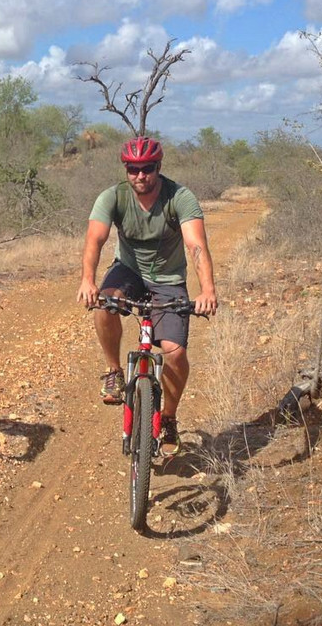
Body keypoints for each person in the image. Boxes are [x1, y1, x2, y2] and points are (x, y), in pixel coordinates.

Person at [76, 135, 217, 455]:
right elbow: (94, 240)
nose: (141, 175)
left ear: (159, 167)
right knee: (105, 305)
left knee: (175, 353)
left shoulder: (179, 197)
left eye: (148, 168)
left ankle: (168, 418)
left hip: (168, 280)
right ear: (126, 170)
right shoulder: (113, 197)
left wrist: (207, 290)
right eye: (133, 169)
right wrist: (88, 280)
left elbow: (196, 245)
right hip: (128, 270)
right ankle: (113, 371)